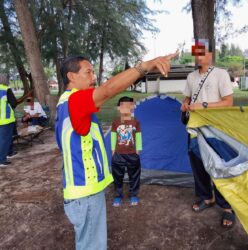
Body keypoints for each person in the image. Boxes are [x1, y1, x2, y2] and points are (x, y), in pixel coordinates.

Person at [55, 53, 175, 250]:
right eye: (88, 72)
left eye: (94, 72)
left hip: (80, 191)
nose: (93, 77)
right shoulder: (74, 102)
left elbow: (104, 96)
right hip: (85, 193)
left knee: (88, 242)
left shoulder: (65, 104)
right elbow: (108, 89)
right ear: (71, 76)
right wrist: (144, 67)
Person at [180, 39, 235, 228]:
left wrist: (203, 106)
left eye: (202, 52)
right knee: (199, 165)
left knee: (220, 166)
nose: (198, 56)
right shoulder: (191, 77)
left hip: (215, 129)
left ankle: (227, 206)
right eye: (196, 53)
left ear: (210, 55)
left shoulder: (221, 74)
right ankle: (207, 197)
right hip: (195, 129)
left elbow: (228, 102)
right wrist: (185, 104)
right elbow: (187, 98)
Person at [110, 96, 142, 207]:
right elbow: (113, 136)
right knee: (117, 176)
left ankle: (133, 194)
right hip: (118, 154)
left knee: (134, 175)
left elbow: (138, 136)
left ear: (132, 108)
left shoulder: (135, 122)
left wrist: (138, 150)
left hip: (132, 154)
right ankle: (118, 196)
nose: (126, 108)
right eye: (123, 106)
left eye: (128, 106)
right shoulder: (115, 122)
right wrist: (113, 150)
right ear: (119, 108)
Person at [0, 73, 16, 167]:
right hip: (5, 118)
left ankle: (9, 152)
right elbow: (13, 103)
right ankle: (2, 160)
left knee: (3, 139)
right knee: (5, 139)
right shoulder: (6, 89)